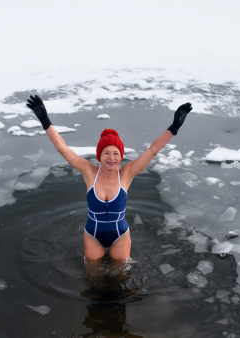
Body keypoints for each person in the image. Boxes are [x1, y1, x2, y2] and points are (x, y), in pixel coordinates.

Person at [26, 95, 192, 265]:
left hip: (120, 234)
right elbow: (63, 149)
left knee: (120, 275)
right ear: (99, 155)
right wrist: (45, 120)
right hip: (93, 234)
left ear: (121, 157)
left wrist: (174, 127)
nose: (111, 158)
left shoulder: (126, 174)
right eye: (106, 152)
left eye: (116, 153)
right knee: (93, 276)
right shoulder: (89, 172)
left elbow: (152, 150)